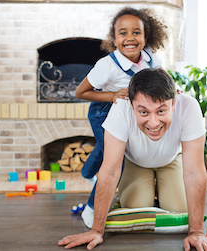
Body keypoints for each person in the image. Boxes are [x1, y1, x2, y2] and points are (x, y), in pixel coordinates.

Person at [59, 68, 207, 251]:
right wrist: (97, 230)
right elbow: (110, 171)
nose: (153, 123)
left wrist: (196, 232)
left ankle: (161, 187)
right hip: (136, 162)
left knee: (179, 207)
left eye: (161, 111)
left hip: (170, 160)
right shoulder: (120, 108)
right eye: (144, 112)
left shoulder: (189, 106)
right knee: (136, 205)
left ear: (173, 103)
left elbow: (194, 173)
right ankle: (148, 188)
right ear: (131, 104)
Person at [75, 6, 168, 227]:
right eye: (123, 33)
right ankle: (91, 209)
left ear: (146, 37)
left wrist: (173, 90)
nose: (130, 38)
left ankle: (87, 172)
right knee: (114, 160)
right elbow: (81, 92)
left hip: (129, 112)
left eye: (136, 32)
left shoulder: (150, 59)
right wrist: (112, 95)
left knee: (103, 148)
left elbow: (164, 77)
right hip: (103, 112)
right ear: (114, 39)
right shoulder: (106, 65)